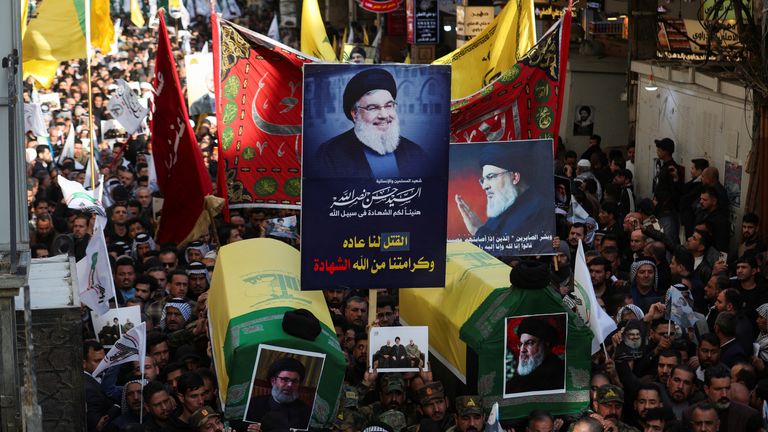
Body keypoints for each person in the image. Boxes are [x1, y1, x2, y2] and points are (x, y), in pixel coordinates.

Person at [314, 68, 428, 178]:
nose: (384, 115)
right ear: (355, 113)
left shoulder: (415, 153)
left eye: (389, 106)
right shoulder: (330, 154)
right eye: (373, 108)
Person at [454, 144, 552, 240]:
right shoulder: (504, 205)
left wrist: (478, 231)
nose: (484, 186)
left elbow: (510, 252)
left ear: (514, 177)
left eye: (491, 177)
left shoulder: (539, 212)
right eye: (483, 180)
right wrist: (479, 228)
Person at [244, 357, 312, 429]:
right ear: (273, 381)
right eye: (285, 379)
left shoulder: (308, 413)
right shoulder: (253, 405)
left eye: (295, 381)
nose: (290, 385)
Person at [505, 316, 565, 394]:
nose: (522, 350)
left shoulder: (559, 374)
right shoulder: (515, 380)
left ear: (545, 344)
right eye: (520, 344)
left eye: (529, 343)